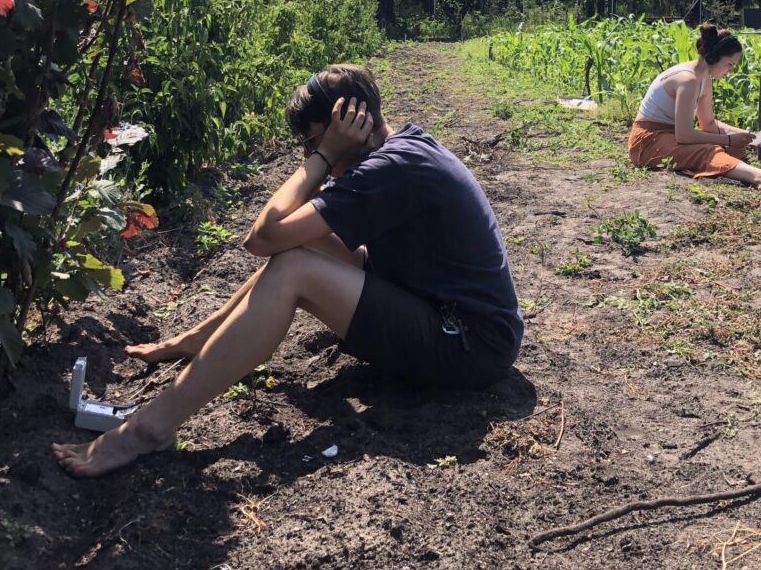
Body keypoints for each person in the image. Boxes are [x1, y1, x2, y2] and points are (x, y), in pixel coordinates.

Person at [53, 64, 523, 477]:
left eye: (313, 141)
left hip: (470, 345)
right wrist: (326, 152)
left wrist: (325, 156)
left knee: (294, 266)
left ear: (350, 122)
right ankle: (197, 342)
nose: (310, 157)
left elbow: (262, 235)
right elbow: (288, 235)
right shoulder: (402, 150)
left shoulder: (392, 169)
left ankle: (149, 429)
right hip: (445, 314)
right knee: (300, 248)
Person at [628, 24, 761, 191]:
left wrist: (743, 135)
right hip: (647, 142)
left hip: (669, 136)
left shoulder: (704, 79)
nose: (731, 70)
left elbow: (708, 124)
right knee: (708, 150)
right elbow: (683, 135)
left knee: (732, 148)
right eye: (729, 64)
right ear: (713, 58)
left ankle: (743, 170)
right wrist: (728, 139)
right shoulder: (687, 80)